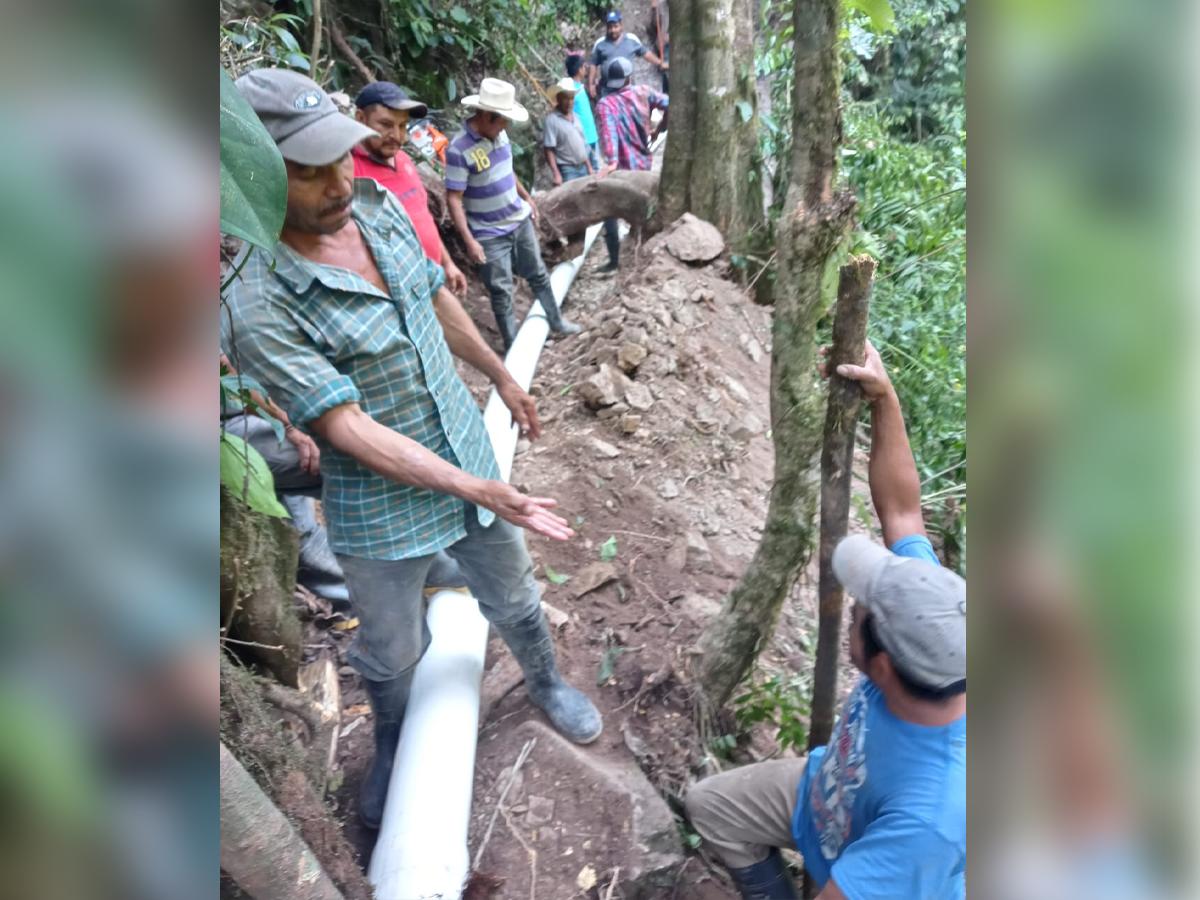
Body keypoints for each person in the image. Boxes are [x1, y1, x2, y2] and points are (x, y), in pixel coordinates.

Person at [226, 69, 603, 831]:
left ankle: (545, 681)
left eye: (340, 157)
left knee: (516, 597)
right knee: (394, 651)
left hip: (464, 447)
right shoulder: (254, 301)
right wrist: (479, 490)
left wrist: (501, 376)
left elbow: (435, 297)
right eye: (308, 171)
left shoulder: (376, 209)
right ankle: (395, 730)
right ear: (254, 172)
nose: (338, 181)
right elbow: (347, 430)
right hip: (377, 506)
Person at [684, 341, 966, 899]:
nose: (853, 605)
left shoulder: (931, 818)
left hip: (883, 857)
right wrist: (885, 400)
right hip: (825, 796)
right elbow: (904, 511)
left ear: (882, 665)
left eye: (860, 611)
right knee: (709, 806)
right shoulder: (933, 614)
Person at [444, 77, 582, 351]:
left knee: (539, 275)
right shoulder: (459, 150)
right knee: (501, 290)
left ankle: (556, 323)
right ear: (485, 116)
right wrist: (470, 240)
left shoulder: (500, 135)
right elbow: (454, 198)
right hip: (488, 233)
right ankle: (513, 345)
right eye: (502, 120)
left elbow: (507, 172)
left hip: (518, 221)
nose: (505, 126)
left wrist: (527, 198)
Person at [220, 353, 350, 608]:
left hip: (251, 407)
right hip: (222, 427)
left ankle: (360, 597)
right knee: (344, 461)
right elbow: (224, 369)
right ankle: (363, 599)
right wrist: (288, 426)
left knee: (299, 527)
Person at [350, 81, 468, 295]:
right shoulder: (349, 173)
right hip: (399, 295)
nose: (398, 136)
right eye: (386, 124)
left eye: (403, 126)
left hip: (433, 281)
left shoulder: (403, 159)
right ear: (360, 118)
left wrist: (447, 263)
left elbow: (423, 218)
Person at [594, 57, 669, 272]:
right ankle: (641, 255)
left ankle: (616, 260)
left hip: (622, 174)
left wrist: (611, 162)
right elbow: (671, 103)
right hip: (643, 167)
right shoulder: (643, 92)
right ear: (629, 77)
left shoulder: (605, 105)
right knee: (642, 211)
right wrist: (660, 128)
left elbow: (609, 136)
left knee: (608, 211)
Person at [588, 10, 667, 99]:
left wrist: (660, 63)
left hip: (627, 89)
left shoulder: (631, 39)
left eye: (615, 26)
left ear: (621, 25)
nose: (613, 30)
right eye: (610, 27)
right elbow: (593, 64)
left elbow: (646, 54)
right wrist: (591, 85)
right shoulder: (600, 43)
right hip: (607, 90)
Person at [542, 78, 595, 186]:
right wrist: (556, 174)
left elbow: (583, 145)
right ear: (558, 98)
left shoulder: (577, 117)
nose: (569, 102)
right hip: (568, 170)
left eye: (571, 98)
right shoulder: (552, 120)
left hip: (583, 167)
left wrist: (589, 167)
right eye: (566, 98)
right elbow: (549, 150)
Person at [565, 52, 600, 167]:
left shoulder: (579, 87)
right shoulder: (571, 90)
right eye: (584, 66)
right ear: (579, 70)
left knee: (596, 168)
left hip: (590, 135)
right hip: (582, 137)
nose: (586, 69)